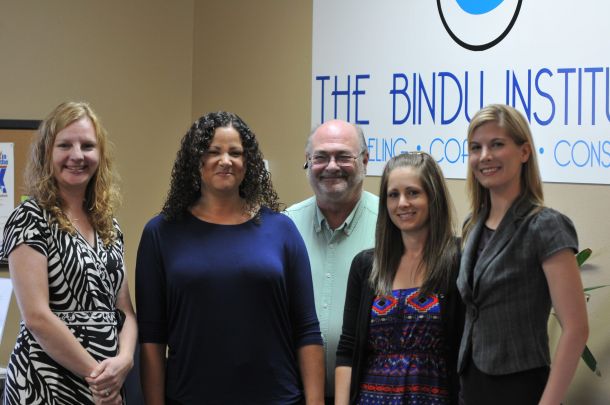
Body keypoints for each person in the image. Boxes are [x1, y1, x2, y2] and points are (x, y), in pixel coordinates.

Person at [135, 111, 324, 404]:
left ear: (248, 163)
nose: (225, 161)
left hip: (275, 398)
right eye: (213, 152)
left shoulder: (282, 229)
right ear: (195, 160)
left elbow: (307, 329)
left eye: (235, 153)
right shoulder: (160, 233)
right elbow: (152, 337)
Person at [0, 101, 137, 404]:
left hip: (106, 385)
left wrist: (126, 360)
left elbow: (125, 311)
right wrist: (100, 380)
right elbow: (37, 317)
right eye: (65, 145)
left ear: (100, 155)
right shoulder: (29, 217)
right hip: (46, 384)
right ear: (47, 153)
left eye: (87, 146)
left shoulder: (108, 225)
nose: (77, 155)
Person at [458, 104, 589, 404]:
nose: (485, 156)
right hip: (471, 387)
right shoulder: (472, 225)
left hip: (520, 389)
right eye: (476, 147)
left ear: (524, 152)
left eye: (497, 144)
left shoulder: (546, 226)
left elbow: (576, 328)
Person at [335, 152, 463, 405]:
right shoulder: (366, 266)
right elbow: (348, 350)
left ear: (433, 197)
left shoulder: (460, 259)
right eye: (393, 195)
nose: (402, 203)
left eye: (413, 193)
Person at [285, 120, 378, 402]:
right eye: (321, 157)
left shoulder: (390, 226)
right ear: (307, 162)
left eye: (343, 156)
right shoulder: (285, 226)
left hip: (368, 394)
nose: (332, 166)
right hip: (295, 394)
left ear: (364, 161)